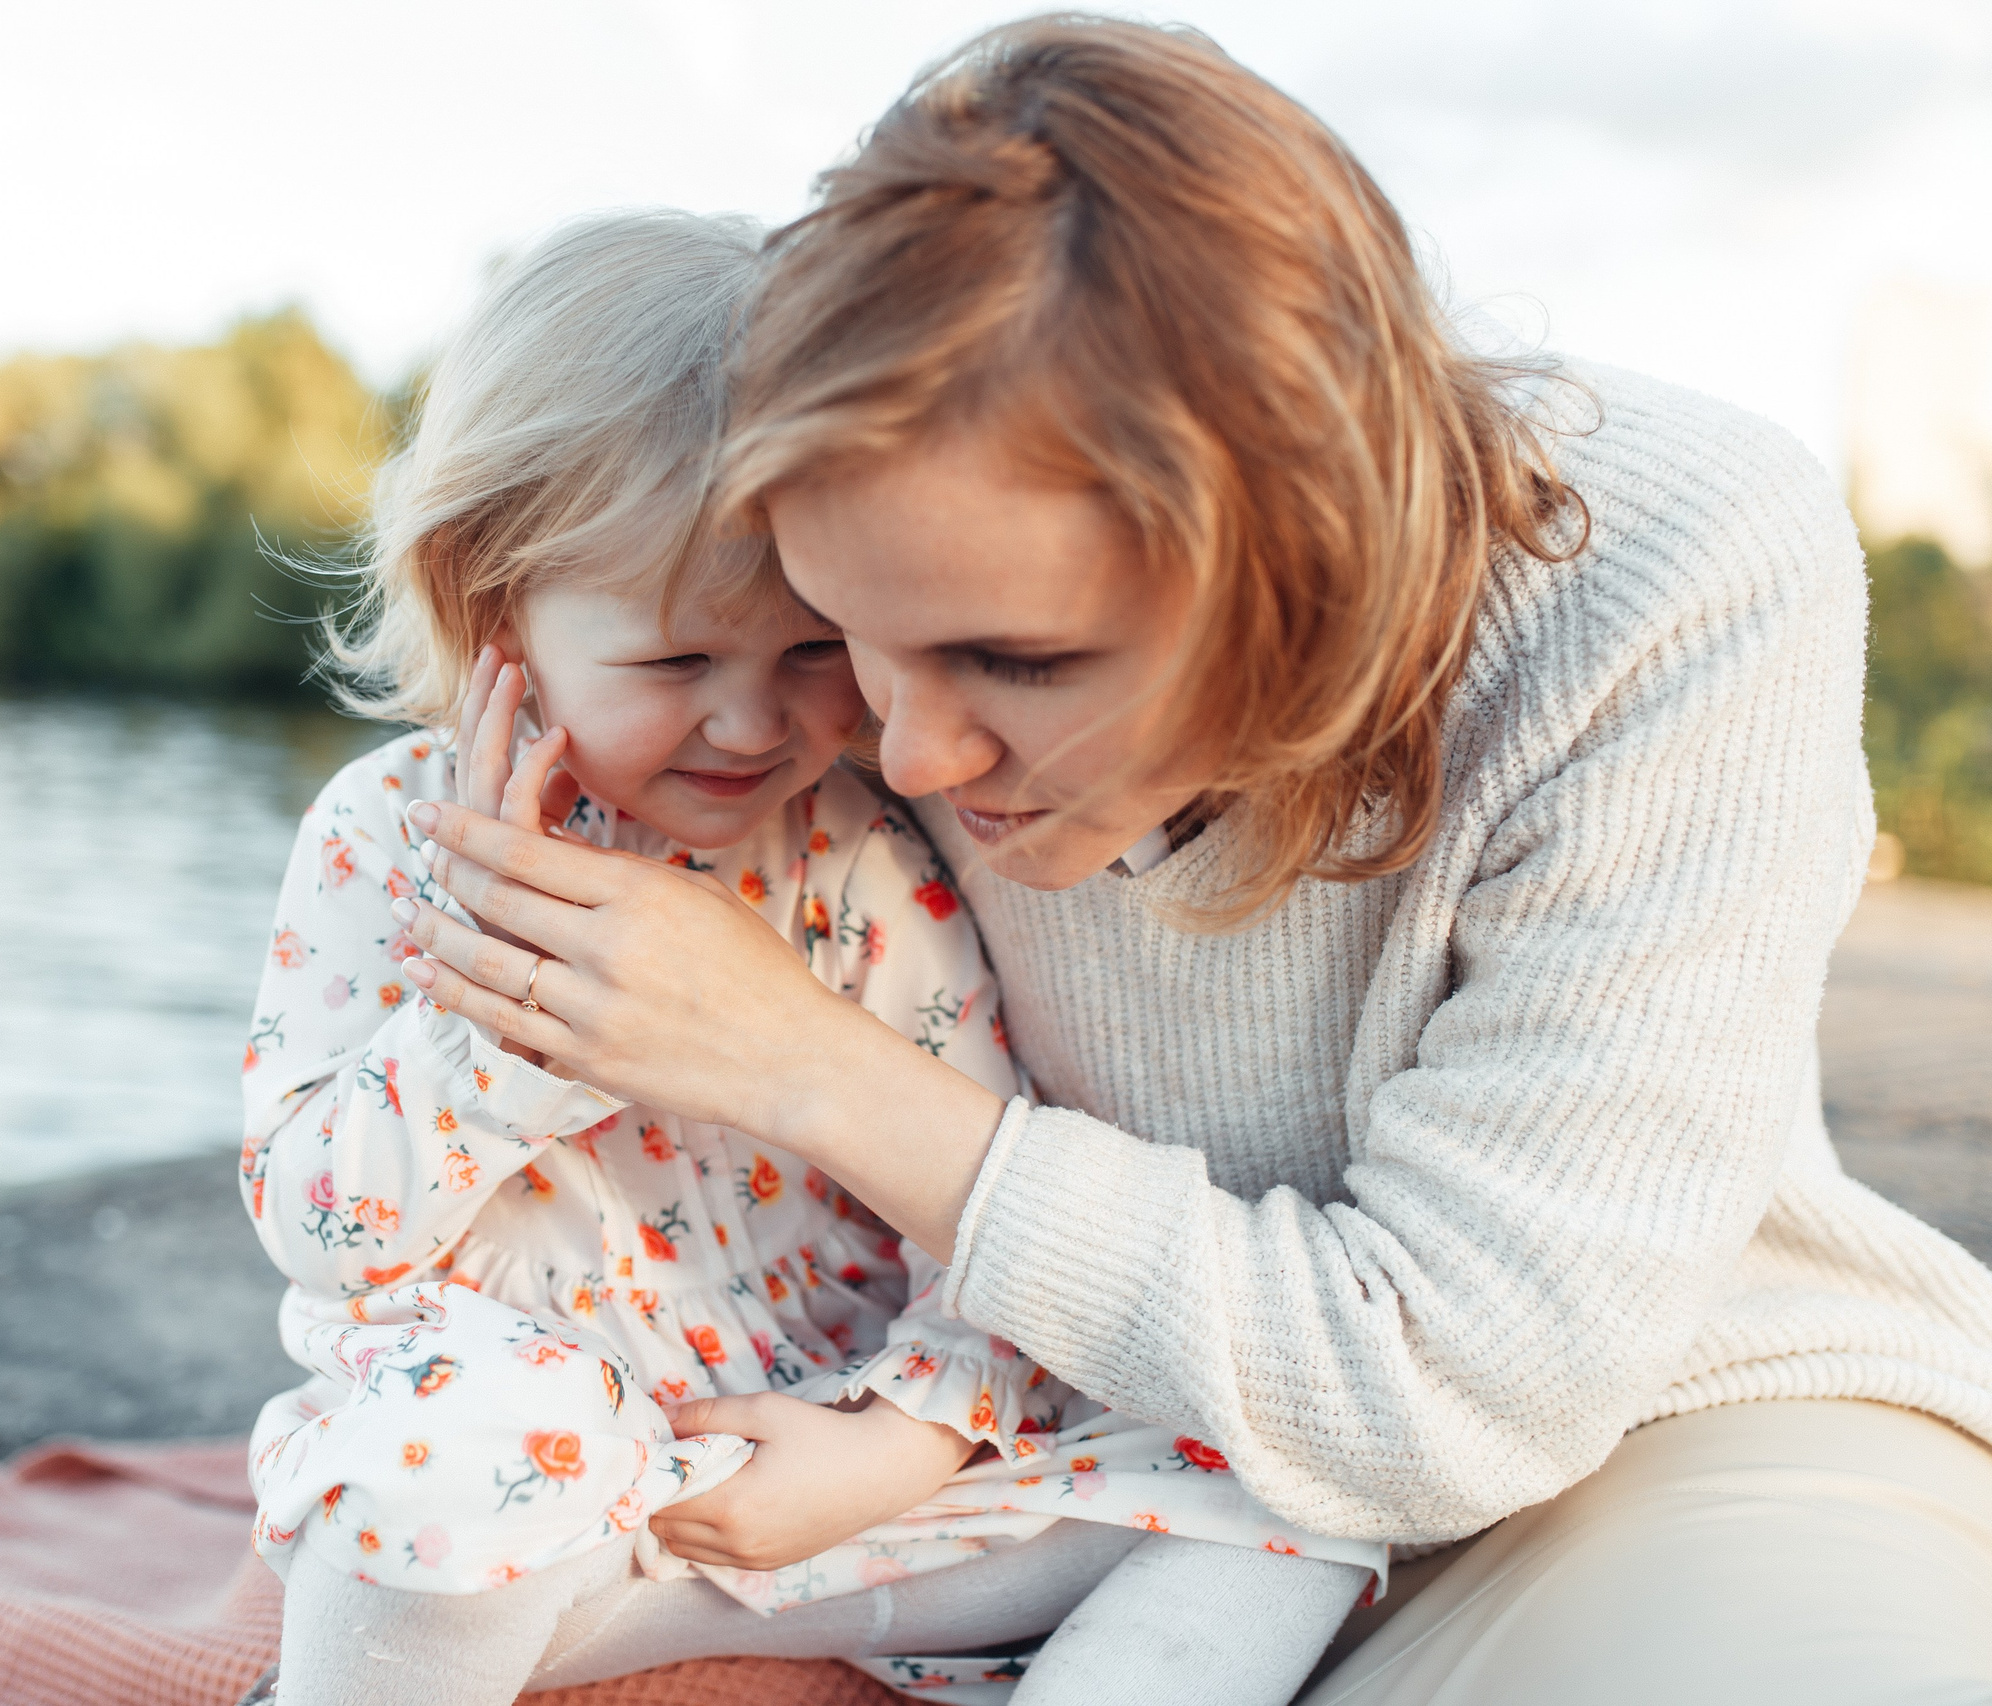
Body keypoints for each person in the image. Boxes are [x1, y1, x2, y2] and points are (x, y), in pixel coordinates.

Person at [385, 20, 1992, 1704]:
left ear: (1304, 565)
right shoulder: (872, 592)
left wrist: (818, 1069)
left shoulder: (1673, 571)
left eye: (1019, 664)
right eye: (845, 634)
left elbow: (1463, 1389)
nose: (910, 755)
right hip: (1080, 1467)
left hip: (1665, 1446)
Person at [235, 209, 1380, 1706]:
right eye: (673, 663)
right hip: (526, 1491)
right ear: (488, 597)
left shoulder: (858, 855)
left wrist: (896, 1436)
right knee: (444, 1458)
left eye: (812, 650)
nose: (751, 724)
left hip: (810, 1472)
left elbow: (981, 1206)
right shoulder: (389, 838)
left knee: (1294, 1492)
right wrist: (511, 1023)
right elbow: (327, 1226)